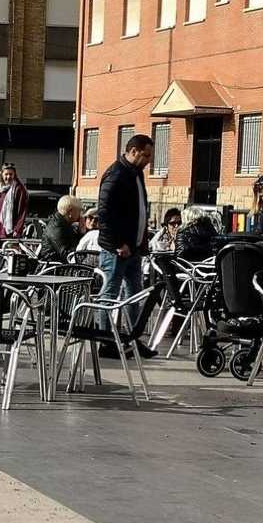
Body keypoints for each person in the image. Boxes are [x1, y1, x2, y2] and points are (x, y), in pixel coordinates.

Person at [97, 133, 157, 358]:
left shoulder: (136, 174)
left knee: (134, 293)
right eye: (146, 154)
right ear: (133, 151)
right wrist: (118, 243)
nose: (149, 159)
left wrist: (141, 241)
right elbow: (105, 212)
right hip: (118, 248)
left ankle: (133, 338)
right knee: (110, 292)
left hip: (135, 247)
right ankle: (104, 340)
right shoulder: (116, 174)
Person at [0, 162, 28, 248]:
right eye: (6, 174)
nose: (8, 177)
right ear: (1, 175)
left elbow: (22, 211)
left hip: (9, 232)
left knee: (8, 258)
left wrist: (17, 230)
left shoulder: (19, 189)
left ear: (14, 175)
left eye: (11, 174)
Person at [39, 195, 83, 263]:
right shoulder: (56, 227)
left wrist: (81, 232)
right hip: (55, 268)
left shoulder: (64, 224)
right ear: (70, 212)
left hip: (61, 265)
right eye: (79, 211)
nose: (80, 215)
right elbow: (65, 253)